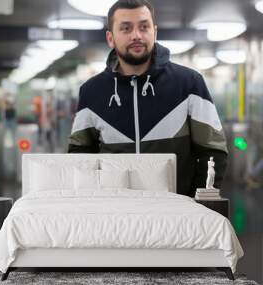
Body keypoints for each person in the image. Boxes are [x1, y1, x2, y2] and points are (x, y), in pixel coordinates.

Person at [67, 0, 228, 197]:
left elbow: (212, 151)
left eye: (144, 27)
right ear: (111, 38)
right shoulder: (91, 92)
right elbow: (80, 157)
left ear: (155, 32)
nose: (136, 35)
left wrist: (196, 204)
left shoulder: (189, 84)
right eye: (126, 28)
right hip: (114, 214)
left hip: (176, 215)